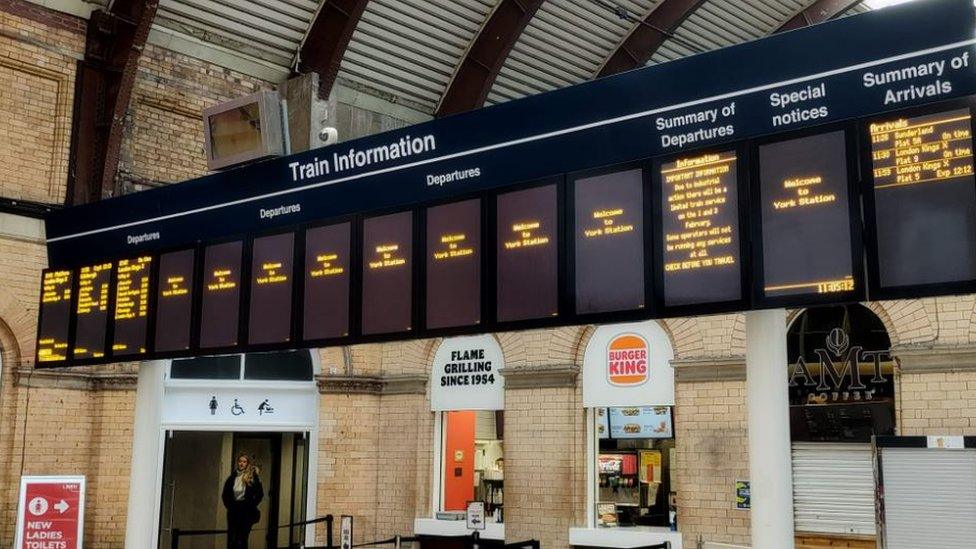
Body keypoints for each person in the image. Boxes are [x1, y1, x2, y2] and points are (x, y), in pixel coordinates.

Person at [222, 452, 264, 549]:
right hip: (234, 511)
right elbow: (225, 495)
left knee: (243, 539)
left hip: (246, 512)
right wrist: (231, 507)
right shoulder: (232, 478)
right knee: (233, 539)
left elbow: (260, 494)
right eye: (240, 461)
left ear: (247, 463)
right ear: (237, 463)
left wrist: (251, 505)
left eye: (244, 462)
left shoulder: (251, 477)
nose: (242, 463)